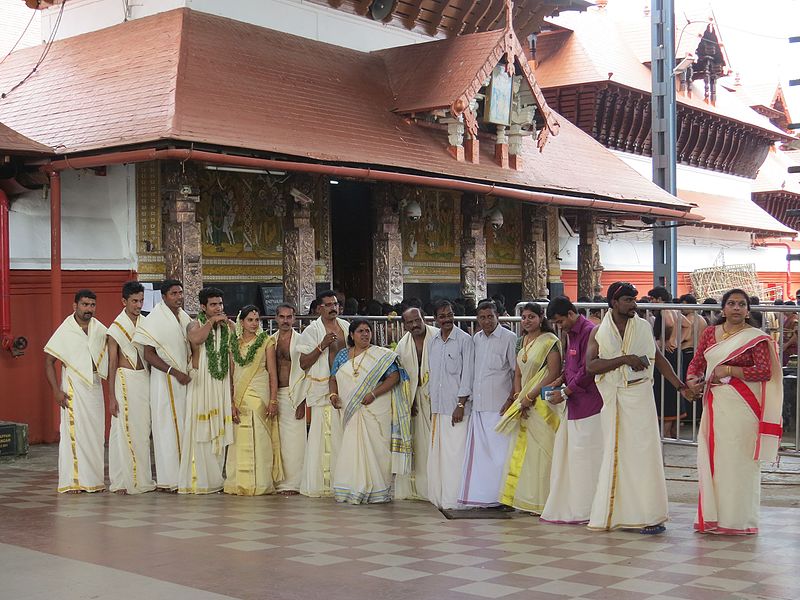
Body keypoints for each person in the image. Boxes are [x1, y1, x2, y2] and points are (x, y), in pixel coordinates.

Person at [586, 282, 691, 534]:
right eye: (627, 300)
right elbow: (591, 366)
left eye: (634, 299)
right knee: (615, 454)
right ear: (613, 303)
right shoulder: (598, 332)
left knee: (644, 456)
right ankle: (617, 514)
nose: (634, 304)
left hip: (641, 397)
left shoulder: (643, 327)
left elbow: (660, 360)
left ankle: (649, 516)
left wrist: (681, 387)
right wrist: (624, 359)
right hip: (613, 399)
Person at [686, 289, 783, 535]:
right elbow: (698, 361)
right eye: (732, 303)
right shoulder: (710, 333)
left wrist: (728, 369)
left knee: (739, 462)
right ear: (724, 308)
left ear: (748, 310)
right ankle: (713, 519)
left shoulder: (756, 338)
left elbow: (764, 372)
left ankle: (739, 521)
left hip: (743, 407)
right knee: (715, 460)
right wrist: (691, 380)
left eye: (742, 304)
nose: (737, 308)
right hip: (715, 403)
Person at [329, 319, 411, 503]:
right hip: (349, 409)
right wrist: (333, 395)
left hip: (375, 408)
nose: (365, 334)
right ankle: (350, 487)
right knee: (351, 446)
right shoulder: (342, 355)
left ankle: (378, 490)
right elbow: (333, 377)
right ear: (351, 335)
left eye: (368, 331)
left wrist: (374, 394)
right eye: (360, 331)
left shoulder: (381, 356)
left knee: (377, 448)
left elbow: (395, 377)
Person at [540, 296, 604, 524]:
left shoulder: (590, 331)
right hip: (574, 404)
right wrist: (559, 380)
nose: (559, 327)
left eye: (560, 321)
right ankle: (577, 505)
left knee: (587, 459)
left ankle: (590, 508)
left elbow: (589, 370)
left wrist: (566, 391)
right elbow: (571, 367)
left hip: (590, 405)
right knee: (574, 459)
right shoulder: (569, 334)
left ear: (570, 313)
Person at [496, 303, 561, 514]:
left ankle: (544, 500)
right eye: (523, 317)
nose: (527, 320)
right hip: (522, 402)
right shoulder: (519, 341)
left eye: (531, 316)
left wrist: (530, 397)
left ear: (541, 318)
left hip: (542, 404)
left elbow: (553, 373)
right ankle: (524, 499)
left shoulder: (551, 342)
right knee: (522, 452)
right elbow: (517, 373)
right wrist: (518, 398)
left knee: (543, 452)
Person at [44, 289, 109, 493]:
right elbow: (49, 361)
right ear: (75, 306)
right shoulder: (66, 329)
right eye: (85, 304)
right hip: (73, 387)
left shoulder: (99, 329)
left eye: (92, 305)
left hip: (95, 386)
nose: (89, 309)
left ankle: (93, 481)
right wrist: (56, 390)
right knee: (74, 434)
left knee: (96, 435)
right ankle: (73, 482)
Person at [133, 280, 192, 491]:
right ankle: (169, 479)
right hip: (164, 379)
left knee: (184, 426)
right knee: (165, 428)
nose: (178, 297)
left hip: (183, 380)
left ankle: (184, 476)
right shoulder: (154, 319)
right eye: (174, 293)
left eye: (180, 293)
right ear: (164, 296)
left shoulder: (183, 316)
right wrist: (174, 372)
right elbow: (149, 354)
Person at [458, 300, 516, 507]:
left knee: (501, 456)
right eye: (482, 318)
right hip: (480, 407)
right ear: (477, 319)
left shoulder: (510, 338)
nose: (486, 321)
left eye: (490, 316)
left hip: (500, 408)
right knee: (482, 459)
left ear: (498, 316)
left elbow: (515, 372)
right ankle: (485, 498)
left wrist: (511, 399)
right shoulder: (476, 339)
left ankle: (504, 498)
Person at [178, 287, 234, 494]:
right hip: (201, 382)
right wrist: (211, 322)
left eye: (220, 303)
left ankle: (217, 478)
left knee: (219, 428)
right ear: (203, 307)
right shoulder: (195, 324)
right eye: (213, 304)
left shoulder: (230, 326)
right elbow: (196, 340)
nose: (218, 308)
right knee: (199, 430)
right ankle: (198, 480)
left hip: (221, 382)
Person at [224, 305, 282, 496]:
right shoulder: (234, 343)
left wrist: (273, 401)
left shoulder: (267, 341)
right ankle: (237, 483)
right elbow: (231, 374)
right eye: (250, 320)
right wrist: (230, 401)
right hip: (239, 396)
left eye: (257, 320)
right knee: (239, 438)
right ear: (242, 322)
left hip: (260, 393)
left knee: (260, 437)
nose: (254, 324)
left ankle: (261, 483)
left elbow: (273, 373)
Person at [297, 290, 349, 497]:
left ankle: (342, 480)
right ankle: (322, 483)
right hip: (322, 391)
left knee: (343, 436)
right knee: (322, 437)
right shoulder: (312, 331)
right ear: (320, 308)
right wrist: (322, 345)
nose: (332, 308)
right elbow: (303, 363)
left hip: (345, 389)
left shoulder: (346, 328)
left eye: (335, 304)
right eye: (328, 305)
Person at [107, 281, 156, 494]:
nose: (138, 305)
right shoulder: (115, 328)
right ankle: (128, 481)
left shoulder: (146, 323)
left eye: (141, 300)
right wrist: (110, 395)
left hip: (144, 378)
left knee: (142, 431)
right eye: (134, 301)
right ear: (124, 301)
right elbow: (111, 363)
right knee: (126, 429)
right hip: (124, 379)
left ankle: (136, 478)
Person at [427, 300, 474, 510]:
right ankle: (440, 498)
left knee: (455, 456)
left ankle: (456, 501)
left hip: (457, 410)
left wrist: (461, 404)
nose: (447, 319)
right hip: (438, 408)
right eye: (442, 316)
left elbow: (468, 375)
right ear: (436, 319)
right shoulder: (433, 342)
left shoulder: (465, 340)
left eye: (449, 314)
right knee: (439, 457)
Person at [394, 307, 438, 501]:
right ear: (404, 325)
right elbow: (400, 377)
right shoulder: (402, 346)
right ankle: (415, 489)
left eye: (417, 320)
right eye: (410, 322)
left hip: (436, 399)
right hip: (411, 401)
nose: (414, 325)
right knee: (415, 444)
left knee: (435, 443)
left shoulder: (437, 337)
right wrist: (406, 401)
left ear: (424, 318)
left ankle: (435, 489)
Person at [270, 303, 308, 495]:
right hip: (274, 396)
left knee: (295, 442)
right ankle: (276, 481)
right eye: (282, 317)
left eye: (289, 317)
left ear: (294, 319)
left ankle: (294, 483)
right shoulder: (270, 341)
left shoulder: (301, 342)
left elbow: (307, 372)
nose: (285, 320)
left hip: (295, 394)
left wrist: (303, 401)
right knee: (275, 440)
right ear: (275, 318)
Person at [649, 286, 686, 438]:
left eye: (653, 299)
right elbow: (686, 325)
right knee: (673, 390)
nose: (651, 302)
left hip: (667, 353)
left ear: (659, 299)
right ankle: (671, 431)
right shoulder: (675, 310)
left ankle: (666, 432)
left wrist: (668, 340)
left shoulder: (665, 310)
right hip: (675, 352)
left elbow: (670, 324)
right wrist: (677, 340)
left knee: (666, 390)